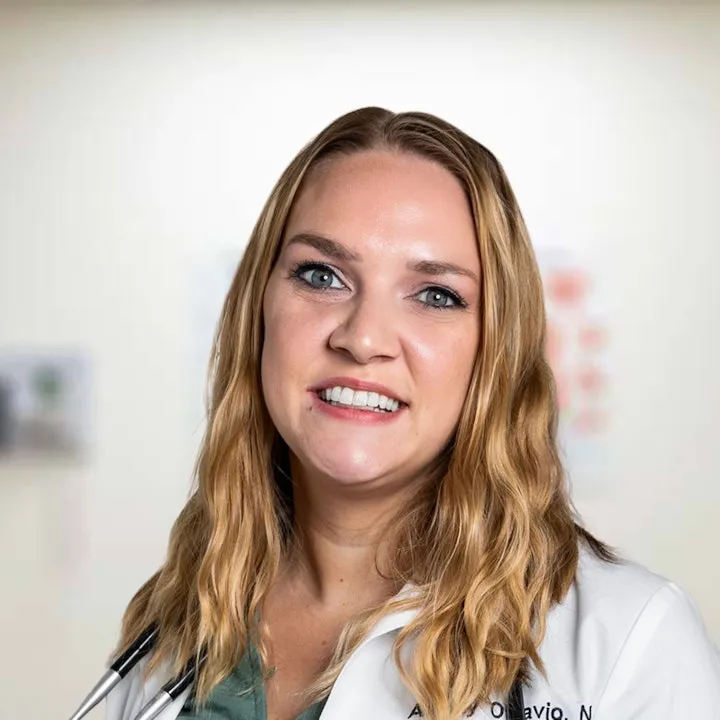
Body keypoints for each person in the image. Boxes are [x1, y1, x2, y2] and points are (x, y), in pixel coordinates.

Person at [106, 107, 720, 720]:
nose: (363, 338)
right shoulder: (176, 624)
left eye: (435, 295)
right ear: (259, 310)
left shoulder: (629, 645)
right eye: (321, 275)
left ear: (494, 349)